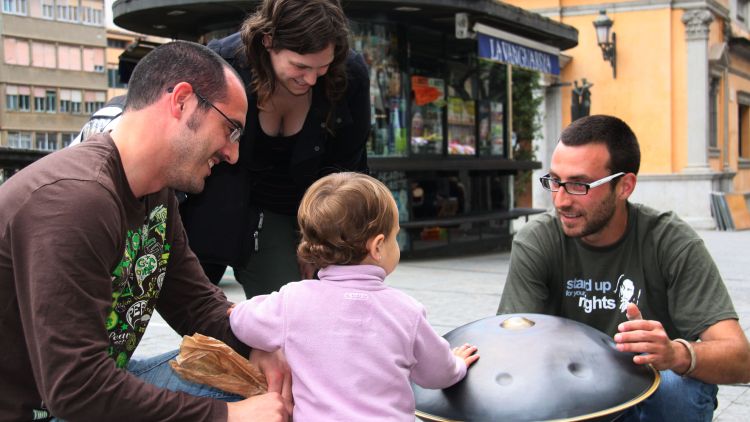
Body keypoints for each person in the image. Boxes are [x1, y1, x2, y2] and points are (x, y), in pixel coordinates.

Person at [0, 41, 291, 421]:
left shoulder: (156, 193)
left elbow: (196, 305)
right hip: (38, 409)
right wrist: (227, 417)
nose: (233, 154)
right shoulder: (75, 200)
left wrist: (257, 349)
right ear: (183, 101)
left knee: (257, 379)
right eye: (231, 130)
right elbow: (77, 389)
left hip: (85, 390)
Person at [498, 115, 750, 422]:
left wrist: (676, 353)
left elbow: (740, 358)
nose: (561, 200)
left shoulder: (670, 241)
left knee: (676, 390)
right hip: (572, 395)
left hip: (651, 391)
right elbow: (509, 349)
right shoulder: (538, 241)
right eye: (554, 181)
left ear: (624, 186)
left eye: (579, 184)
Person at [228, 172, 479, 421]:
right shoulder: (406, 311)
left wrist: (234, 310)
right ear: (378, 246)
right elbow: (437, 374)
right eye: (395, 236)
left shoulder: (292, 300)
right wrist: (457, 364)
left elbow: (242, 322)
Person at [179, 0, 371, 297]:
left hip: (296, 212)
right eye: (300, 66)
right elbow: (186, 148)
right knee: (201, 320)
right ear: (268, 41)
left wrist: (321, 242)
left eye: (322, 67)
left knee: (299, 316)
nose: (311, 79)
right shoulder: (222, 63)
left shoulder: (351, 75)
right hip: (215, 202)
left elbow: (348, 169)